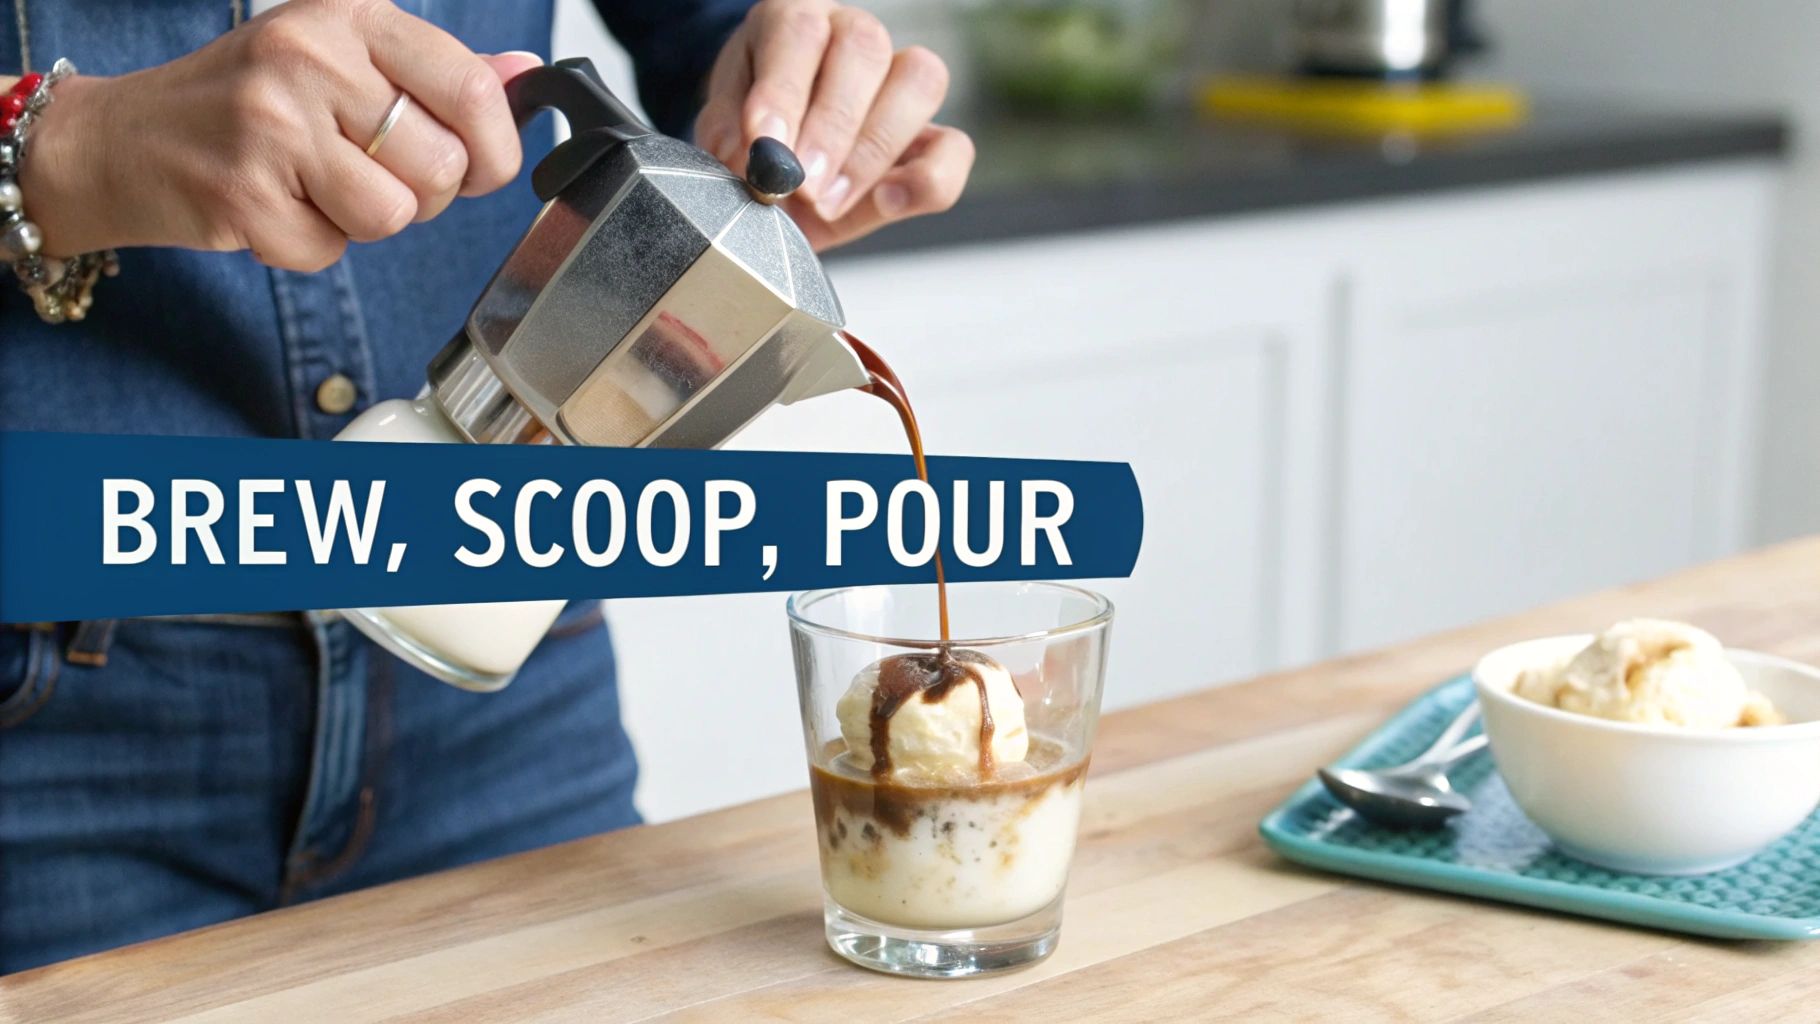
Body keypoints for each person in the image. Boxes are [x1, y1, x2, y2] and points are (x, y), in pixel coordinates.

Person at [0, 0, 972, 973]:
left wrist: (779, 74)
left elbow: (705, 29)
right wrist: (74, 144)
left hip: (520, 695)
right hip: (55, 722)